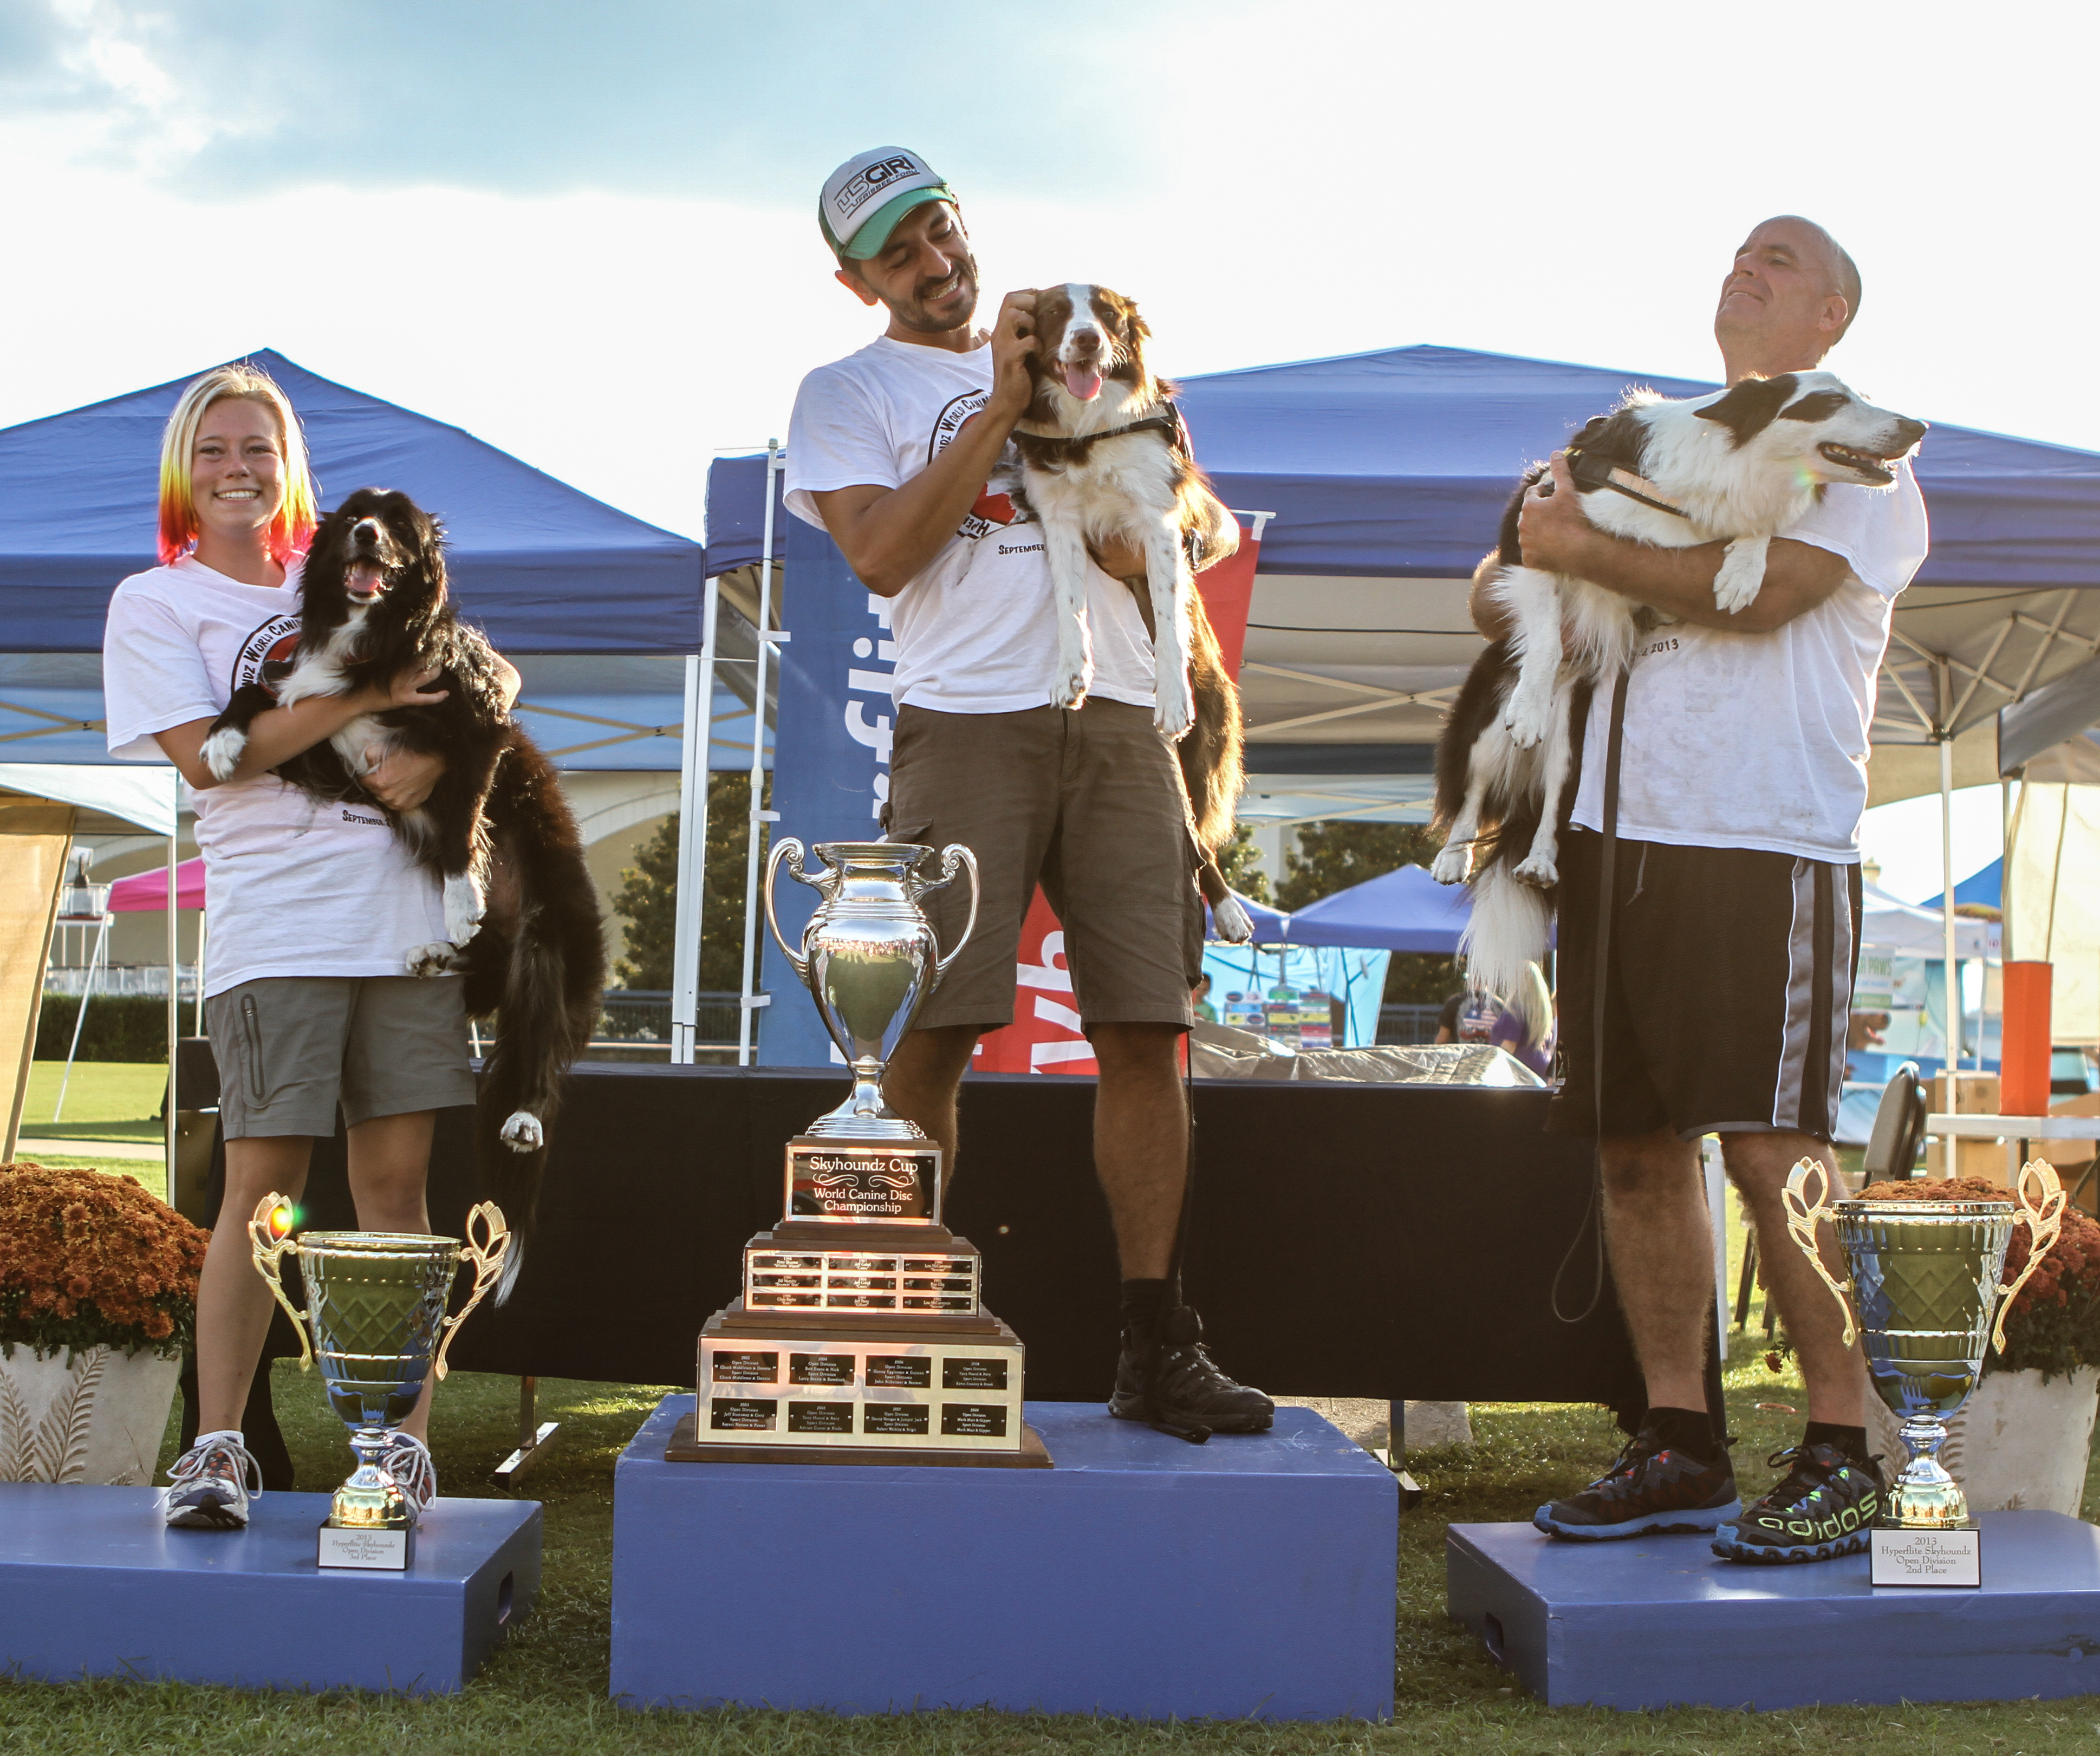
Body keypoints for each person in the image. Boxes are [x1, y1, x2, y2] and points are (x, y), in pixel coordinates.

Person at [785, 147, 1272, 1435]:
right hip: (968, 725)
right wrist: (998, 413)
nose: (938, 264)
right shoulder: (849, 391)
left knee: (1144, 1026)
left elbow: (1201, 520)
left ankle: (1157, 1341)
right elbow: (883, 556)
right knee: (930, 1033)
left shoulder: (1087, 339)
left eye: (943, 231)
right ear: (856, 282)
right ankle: (896, 1335)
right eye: (902, 256)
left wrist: (1148, 530)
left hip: (1119, 721)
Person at [1507, 218, 1929, 1561]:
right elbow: (1499, 583)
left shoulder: (1857, 451)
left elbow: (1759, 598)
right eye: (1741, 249)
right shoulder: (1644, 434)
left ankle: (1847, 1446)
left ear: (1832, 319)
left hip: (1765, 835)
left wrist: (1582, 553)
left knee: (1765, 1148)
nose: (1747, 264)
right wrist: (1533, 554)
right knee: (1633, 1149)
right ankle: (1682, 1439)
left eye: (1783, 258)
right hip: (1613, 832)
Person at [102, 363, 517, 1528]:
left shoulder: (351, 572)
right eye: (217, 450)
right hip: (273, 931)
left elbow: (480, 680)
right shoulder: (156, 602)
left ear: (293, 470)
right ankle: (218, 1448)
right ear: (186, 470)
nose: (239, 469)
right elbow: (208, 756)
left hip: (406, 929)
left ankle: (396, 1451)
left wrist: (437, 759)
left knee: (398, 1191)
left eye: (260, 449)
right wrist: (359, 693)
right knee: (260, 1191)